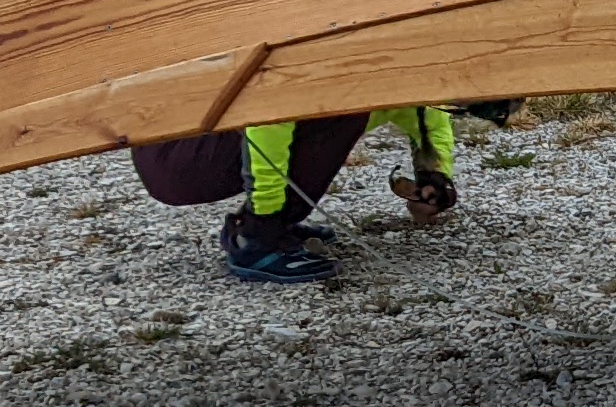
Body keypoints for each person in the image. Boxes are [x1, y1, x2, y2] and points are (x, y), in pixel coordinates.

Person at [127, 104, 475, 283]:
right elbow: (268, 122)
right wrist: (264, 218)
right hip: (174, 155)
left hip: (183, 146)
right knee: (344, 111)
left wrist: (434, 177)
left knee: (345, 110)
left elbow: (421, 110)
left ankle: (271, 226)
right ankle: (256, 240)